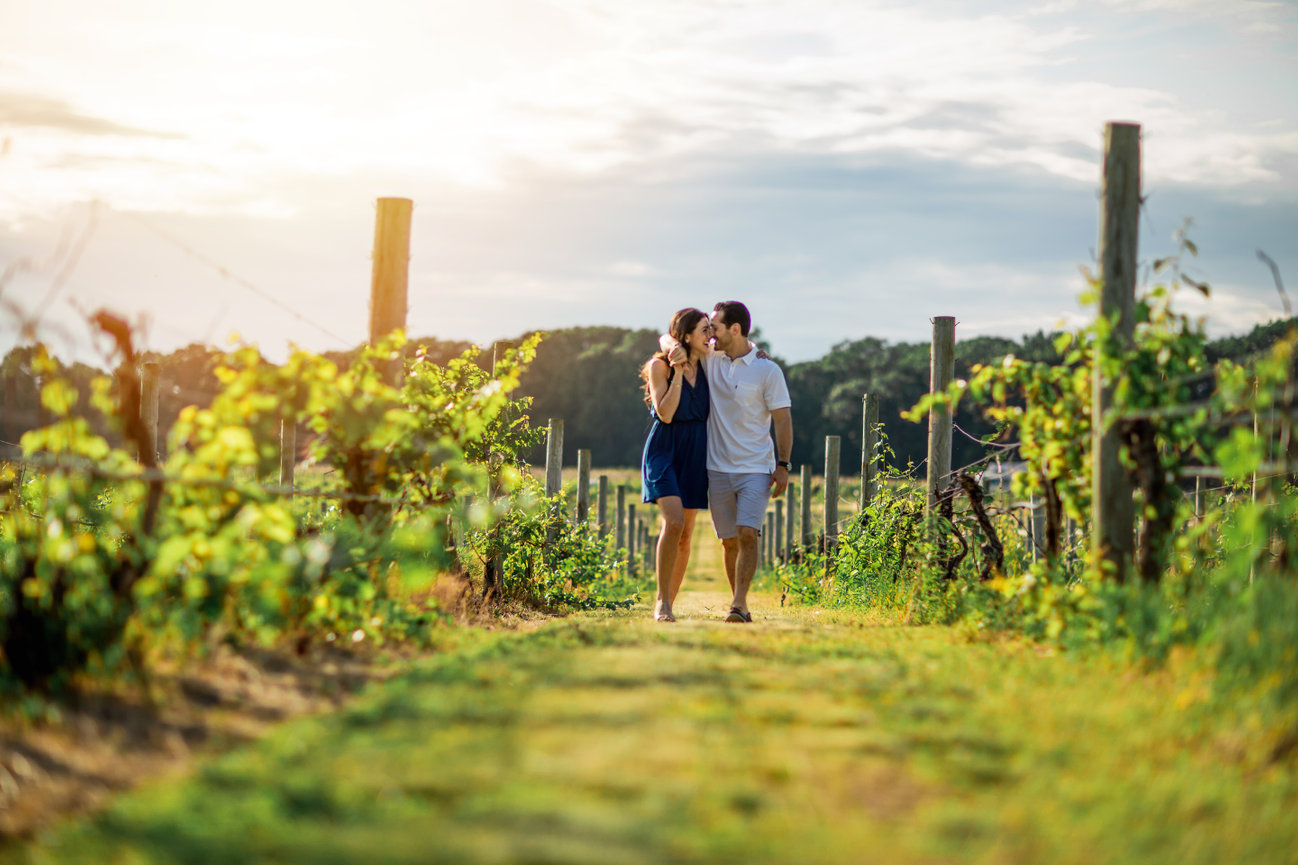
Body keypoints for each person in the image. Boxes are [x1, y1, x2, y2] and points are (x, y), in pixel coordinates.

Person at [665, 301, 792, 623]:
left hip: (755, 468)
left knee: (749, 532)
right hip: (717, 468)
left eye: (715, 328)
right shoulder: (711, 358)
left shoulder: (768, 370)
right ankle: (740, 603)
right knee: (729, 541)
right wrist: (673, 350)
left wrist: (783, 464)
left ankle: (738, 604)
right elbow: (668, 339)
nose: (710, 336)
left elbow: (783, 420)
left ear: (734, 329)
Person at [640, 308, 714, 622]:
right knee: (673, 522)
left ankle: (669, 601)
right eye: (704, 330)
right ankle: (662, 603)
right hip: (665, 450)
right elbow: (666, 413)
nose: (710, 335)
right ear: (685, 336)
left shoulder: (712, 364)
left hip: (696, 452)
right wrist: (680, 369)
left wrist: (758, 353)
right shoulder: (660, 366)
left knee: (685, 534)